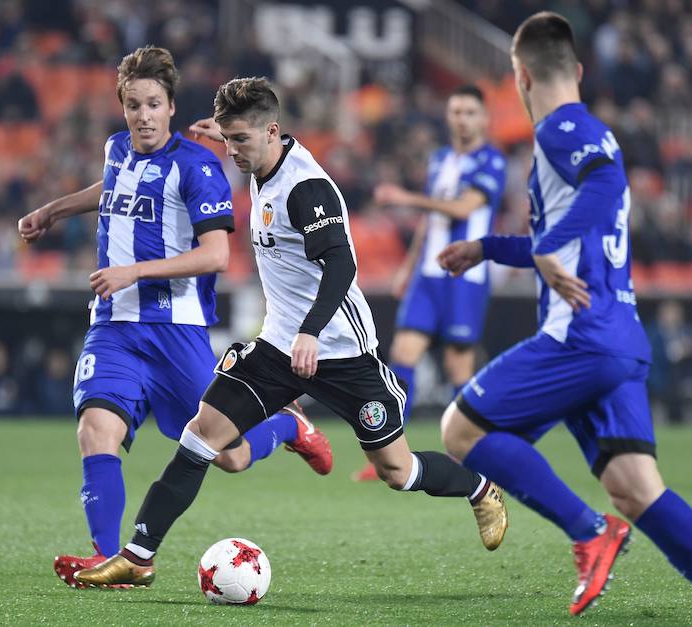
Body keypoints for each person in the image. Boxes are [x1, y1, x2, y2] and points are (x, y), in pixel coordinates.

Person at [73, 76, 509, 588]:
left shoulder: (307, 189)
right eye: (228, 139)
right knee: (200, 437)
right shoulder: (261, 153)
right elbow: (246, 140)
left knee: (398, 471)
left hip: (342, 351)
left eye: (242, 140)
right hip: (279, 347)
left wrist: (311, 332)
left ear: (272, 131)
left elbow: (342, 267)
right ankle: (138, 556)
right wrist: (229, 134)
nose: (232, 151)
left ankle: (479, 489)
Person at [437, 13, 692, 627]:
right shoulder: (588, 131)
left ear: (519, 76)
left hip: (580, 336)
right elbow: (565, 233)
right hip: (617, 336)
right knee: (638, 488)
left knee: (461, 429)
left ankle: (589, 531)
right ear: (580, 71)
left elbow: (604, 184)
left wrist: (542, 248)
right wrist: (489, 247)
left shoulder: (562, 129)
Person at [16, 47, 333, 589]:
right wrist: (53, 210)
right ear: (122, 107)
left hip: (175, 331)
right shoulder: (117, 150)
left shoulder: (198, 166)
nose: (143, 115)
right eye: (134, 104)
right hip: (114, 326)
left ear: (170, 107)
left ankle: (287, 425)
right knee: (96, 431)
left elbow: (215, 256)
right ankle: (114, 562)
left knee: (227, 456)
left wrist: (135, 271)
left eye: (154, 104)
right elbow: (112, 189)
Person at [355, 84, 506, 481]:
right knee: (402, 357)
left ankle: (469, 453)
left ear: (484, 119)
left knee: (458, 367)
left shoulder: (491, 161)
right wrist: (408, 266)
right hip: (428, 276)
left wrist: (403, 196)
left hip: (464, 277)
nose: (462, 119)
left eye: (470, 112)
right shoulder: (441, 159)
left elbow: (461, 208)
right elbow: (431, 221)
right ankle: (391, 455)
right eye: (456, 111)